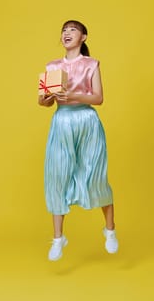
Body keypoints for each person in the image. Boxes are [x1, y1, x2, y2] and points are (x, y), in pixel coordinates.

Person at [38, 20, 118, 261]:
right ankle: (58, 238)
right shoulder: (52, 66)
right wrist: (46, 97)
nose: (66, 33)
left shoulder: (91, 64)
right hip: (61, 122)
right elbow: (45, 102)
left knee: (95, 175)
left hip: (87, 122)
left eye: (72, 30)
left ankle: (110, 230)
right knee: (57, 176)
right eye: (63, 30)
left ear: (83, 37)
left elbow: (98, 98)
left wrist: (72, 94)